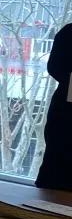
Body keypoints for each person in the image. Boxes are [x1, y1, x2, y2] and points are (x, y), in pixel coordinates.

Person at [36, 22, 72, 192]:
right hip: (66, 106)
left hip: (65, 102)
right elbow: (54, 67)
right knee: (58, 150)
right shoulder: (69, 32)